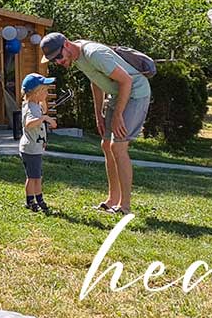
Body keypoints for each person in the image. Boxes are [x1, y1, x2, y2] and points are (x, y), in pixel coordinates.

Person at [40, 34, 150, 215]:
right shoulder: (78, 57)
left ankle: (125, 206)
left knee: (118, 146)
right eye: (53, 60)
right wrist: (99, 114)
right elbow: (96, 82)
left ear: (67, 44)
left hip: (135, 93)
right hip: (117, 95)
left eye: (58, 57)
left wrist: (118, 115)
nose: (58, 62)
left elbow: (127, 81)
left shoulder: (94, 54)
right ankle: (112, 200)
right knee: (106, 145)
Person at [19, 73, 58, 212]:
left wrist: (43, 103)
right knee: (33, 177)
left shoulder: (36, 105)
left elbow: (44, 110)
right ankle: (32, 200)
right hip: (30, 149)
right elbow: (29, 124)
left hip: (36, 147)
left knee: (37, 176)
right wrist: (45, 118)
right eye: (44, 90)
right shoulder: (29, 107)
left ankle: (37, 198)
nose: (47, 93)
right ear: (35, 93)